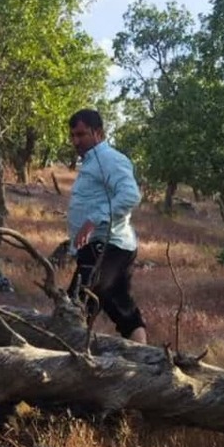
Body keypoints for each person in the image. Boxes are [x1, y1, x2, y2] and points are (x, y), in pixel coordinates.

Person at [66, 108, 148, 344]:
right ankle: (140, 359)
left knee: (76, 307)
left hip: (106, 245)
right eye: (72, 135)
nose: (76, 141)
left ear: (98, 133)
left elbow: (131, 195)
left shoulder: (109, 159)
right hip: (101, 245)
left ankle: (75, 361)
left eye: (81, 135)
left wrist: (93, 221)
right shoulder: (92, 161)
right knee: (118, 303)